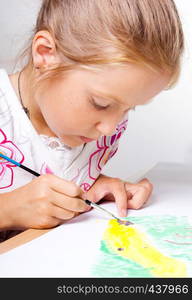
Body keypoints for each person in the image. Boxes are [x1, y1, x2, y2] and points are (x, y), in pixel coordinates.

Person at [0, 0, 184, 242]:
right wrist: (7, 210)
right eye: (101, 104)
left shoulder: (105, 127)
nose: (110, 127)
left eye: (129, 109)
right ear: (45, 55)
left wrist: (95, 187)